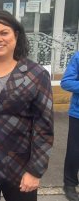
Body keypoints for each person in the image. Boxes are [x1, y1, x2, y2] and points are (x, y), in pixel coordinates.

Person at [0, 10, 54, 201]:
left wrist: (36, 170)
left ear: (16, 34)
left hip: (19, 168)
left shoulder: (36, 74)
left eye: (4, 32)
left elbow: (44, 127)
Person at [61, 51, 79, 201]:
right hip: (78, 113)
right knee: (75, 150)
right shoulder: (78, 56)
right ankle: (69, 183)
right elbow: (66, 82)